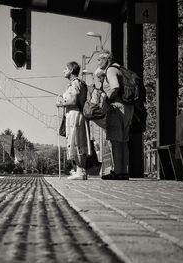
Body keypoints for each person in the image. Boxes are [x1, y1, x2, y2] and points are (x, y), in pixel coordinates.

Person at [96, 50, 134, 180]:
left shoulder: (110, 70)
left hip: (117, 107)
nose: (98, 62)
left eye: (100, 59)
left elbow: (115, 87)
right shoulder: (119, 68)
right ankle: (124, 171)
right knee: (123, 141)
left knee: (116, 141)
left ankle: (117, 171)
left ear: (107, 59)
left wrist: (105, 99)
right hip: (127, 107)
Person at [57, 61, 91, 180]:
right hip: (75, 113)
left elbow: (74, 99)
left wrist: (62, 103)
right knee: (76, 140)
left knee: (76, 141)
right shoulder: (78, 83)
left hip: (74, 114)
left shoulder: (75, 83)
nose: (64, 71)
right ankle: (79, 169)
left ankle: (81, 171)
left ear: (71, 71)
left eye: (66, 69)